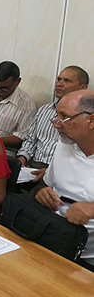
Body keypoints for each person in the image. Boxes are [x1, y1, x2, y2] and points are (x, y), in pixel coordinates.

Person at [34, 89, 94, 268]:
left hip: (88, 261)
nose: (57, 125)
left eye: (65, 117)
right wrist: (41, 193)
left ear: (91, 120)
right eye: (57, 117)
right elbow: (46, 185)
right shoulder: (65, 144)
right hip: (52, 240)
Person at [17, 66, 89, 181]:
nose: (59, 84)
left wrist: (52, 172)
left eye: (67, 81)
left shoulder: (85, 119)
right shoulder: (44, 110)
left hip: (60, 172)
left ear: (83, 88)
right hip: (31, 166)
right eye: (58, 79)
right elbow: (30, 140)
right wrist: (21, 160)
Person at [0, 61, 36, 155]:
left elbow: (21, 137)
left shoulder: (26, 105)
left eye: (4, 88)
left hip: (1, 150)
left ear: (17, 82)